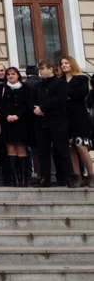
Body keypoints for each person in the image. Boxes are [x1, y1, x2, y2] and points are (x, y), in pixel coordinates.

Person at [32, 60, 76, 188]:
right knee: (43, 152)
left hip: (57, 121)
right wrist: (35, 108)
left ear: (50, 69)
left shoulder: (60, 83)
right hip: (41, 123)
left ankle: (68, 178)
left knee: (62, 151)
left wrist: (43, 108)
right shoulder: (38, 86)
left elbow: (59, 99)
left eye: (42, 68)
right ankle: (44, 179)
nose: (40, 71)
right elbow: (32, 100)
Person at [59, 56, 93, 187]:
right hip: (65, 117)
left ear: (72, 64)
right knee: (70, 147)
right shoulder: (60, 80)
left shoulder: (81, 78)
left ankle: (91, 175)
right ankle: (77, 176)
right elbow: (59, 96)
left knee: (81, 146)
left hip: (79, 117)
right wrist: (68, 95)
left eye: (66, 63)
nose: (64, 65)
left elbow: (82, 93)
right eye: (62, 63)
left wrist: (68, 95)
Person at [0, 67, 31, 187]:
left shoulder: (25, 87)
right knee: (10, 148)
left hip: (22, 122)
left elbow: (27, 104)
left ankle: (24, 178)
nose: (11, 76)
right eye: (8, 74)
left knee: (21, 148)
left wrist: (17, 115)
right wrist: (7, 116)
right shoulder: (2, 87)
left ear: (18, 75)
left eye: (13, 74)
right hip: (7, 122)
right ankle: (14, 178)